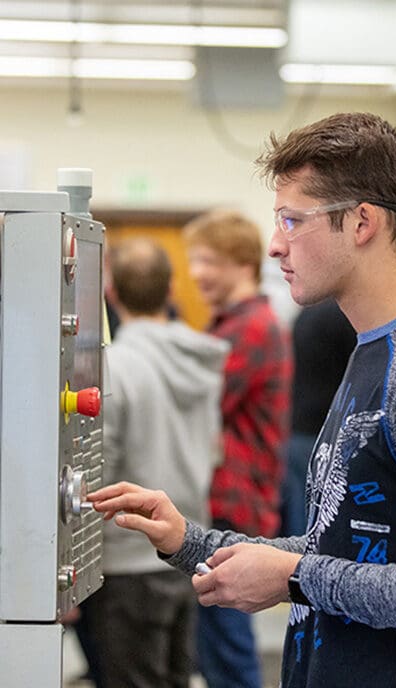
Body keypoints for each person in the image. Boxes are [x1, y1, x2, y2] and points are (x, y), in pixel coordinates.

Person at [89, 112, 396, 688]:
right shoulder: (374, 351)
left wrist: (297, 577)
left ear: (362, 222)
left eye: (293, 221)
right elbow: (347, 544)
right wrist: (192, 542)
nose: (274, 245)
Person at [83, 238, 228, 688]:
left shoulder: (115, 367)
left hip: (125, 562)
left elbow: (97, 468)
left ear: (111, 292)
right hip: (186, 550)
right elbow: (214, 449)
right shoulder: (204, 361)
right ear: (170, 289)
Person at [183, 210, 293, 688]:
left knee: (228, 646)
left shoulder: (250, 329)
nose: (195, 273)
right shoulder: (230, 325)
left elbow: (197, 403)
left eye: (207, 260)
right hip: (225, 498)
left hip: (235, 501)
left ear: (241, 262)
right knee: (215, 641)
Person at [280, 299, 357, 537]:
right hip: (322, 433)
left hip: (296, 430)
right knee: (315, 524)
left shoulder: (306, 314)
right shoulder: (344, 317)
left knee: (299, 515)